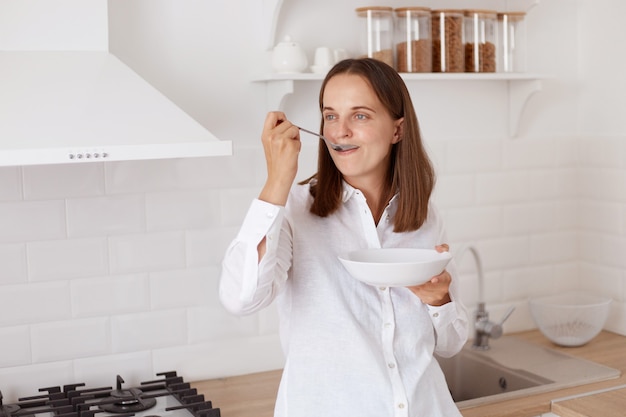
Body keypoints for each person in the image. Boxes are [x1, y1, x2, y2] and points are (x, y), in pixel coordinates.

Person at [219, 58, 469, 417]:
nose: (339, 132)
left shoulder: (424, 217)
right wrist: (277, 180)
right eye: (331, 116)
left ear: (397, 130)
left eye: (360, 116)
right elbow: (239, 299)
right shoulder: (293, 211)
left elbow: (451, 344)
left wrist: (440, 300)